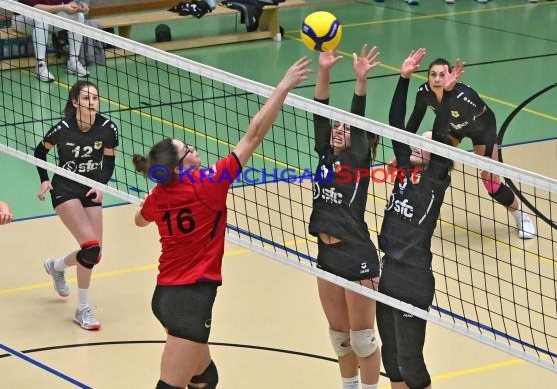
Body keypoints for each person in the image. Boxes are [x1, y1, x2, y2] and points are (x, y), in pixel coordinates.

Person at [132, 57, 311, 389]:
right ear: (181, 166)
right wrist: (283, 87)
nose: (196, 151)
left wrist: (158, 197)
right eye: (189, 150)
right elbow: (254, 134)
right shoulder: (208, 184)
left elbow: (139, 221)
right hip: (189, 299)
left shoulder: (160, 195)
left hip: (168, 295)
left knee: (205, 378)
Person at [377, 48, 460, 389]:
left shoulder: (435, 179)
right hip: (388, 271)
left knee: (411, 362)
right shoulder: (403, 171)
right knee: (391, 359)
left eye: (426, 144)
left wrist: (447, 96)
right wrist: (404, 77)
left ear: (437, 154)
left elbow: (442, 131)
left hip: (413, 278)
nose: (417, 145)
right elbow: (396, 123)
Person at [309, 45, 381, 389]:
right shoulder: (325, 152)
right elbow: (319, 111)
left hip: (356, 254)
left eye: (346, 128)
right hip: (326, 255)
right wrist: (324, 70)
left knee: (362, 339)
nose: (339, 129)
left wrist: (360, 82)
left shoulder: (357, 161)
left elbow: (358, 115)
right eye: (338, 127)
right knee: (339, 340)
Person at [402, 57, 536, 239]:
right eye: (433, 75)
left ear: (450, 76)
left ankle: (522, 217)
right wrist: (400, 151)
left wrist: (488, 155)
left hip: (481, 131)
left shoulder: (465, 96)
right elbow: (413, 123)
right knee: (426, 145)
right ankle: (422, 207)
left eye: (442, 75)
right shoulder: (424, 92)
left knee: (490, 182)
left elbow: (489, 121)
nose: (437, 79)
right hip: (450, 128)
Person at [34, 80, 118, 330]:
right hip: (65, 189)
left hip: (91, 188)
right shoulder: (62, 128)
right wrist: (44, 180)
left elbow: (110, 161)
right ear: (75, 103)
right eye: (86, 98)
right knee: (90, 248)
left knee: (95, 254)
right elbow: (40, 153)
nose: (92, 102)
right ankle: (83, 310)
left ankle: (56, 266)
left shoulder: (108, 128)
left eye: (95, 98)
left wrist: (101, 184)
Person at [13, 0, 90, 82]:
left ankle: (73, 61)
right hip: (22, 20)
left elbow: (69, 1)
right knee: (41, 17)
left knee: (79, 16)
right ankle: (40, 66)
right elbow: (35, 8)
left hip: (50, 18)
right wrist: (62, 8)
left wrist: (79, 6)